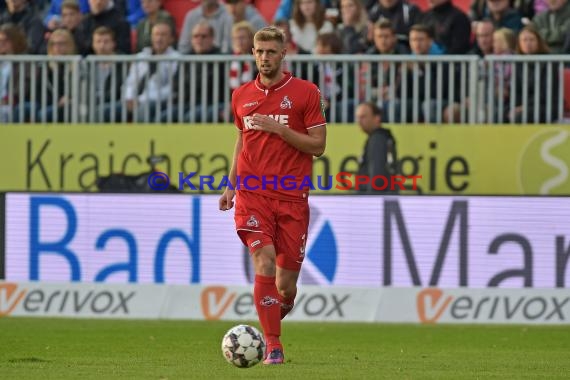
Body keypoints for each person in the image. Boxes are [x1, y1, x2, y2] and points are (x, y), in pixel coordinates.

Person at [219, 26, 326, 365]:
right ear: (253, 53)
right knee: (263, 260)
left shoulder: (306, 93)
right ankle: (273, 344)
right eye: (259, 51)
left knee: (285, 286)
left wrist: (279, 128)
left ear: (283, 54)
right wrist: (231, 184)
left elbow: (319, 146)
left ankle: (273, 314)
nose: (264, 57)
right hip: (253, 195)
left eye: (270, 51)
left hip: (293, 198)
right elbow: (241, 141)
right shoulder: (241, 96)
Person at [355, 102, 398, 194]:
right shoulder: (382, 137)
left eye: (363, 117)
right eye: (358, 117)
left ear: (377, 118)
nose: (359, 121)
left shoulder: (378, 139)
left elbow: (377, 174)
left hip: (373, 200)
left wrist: (371, 200)